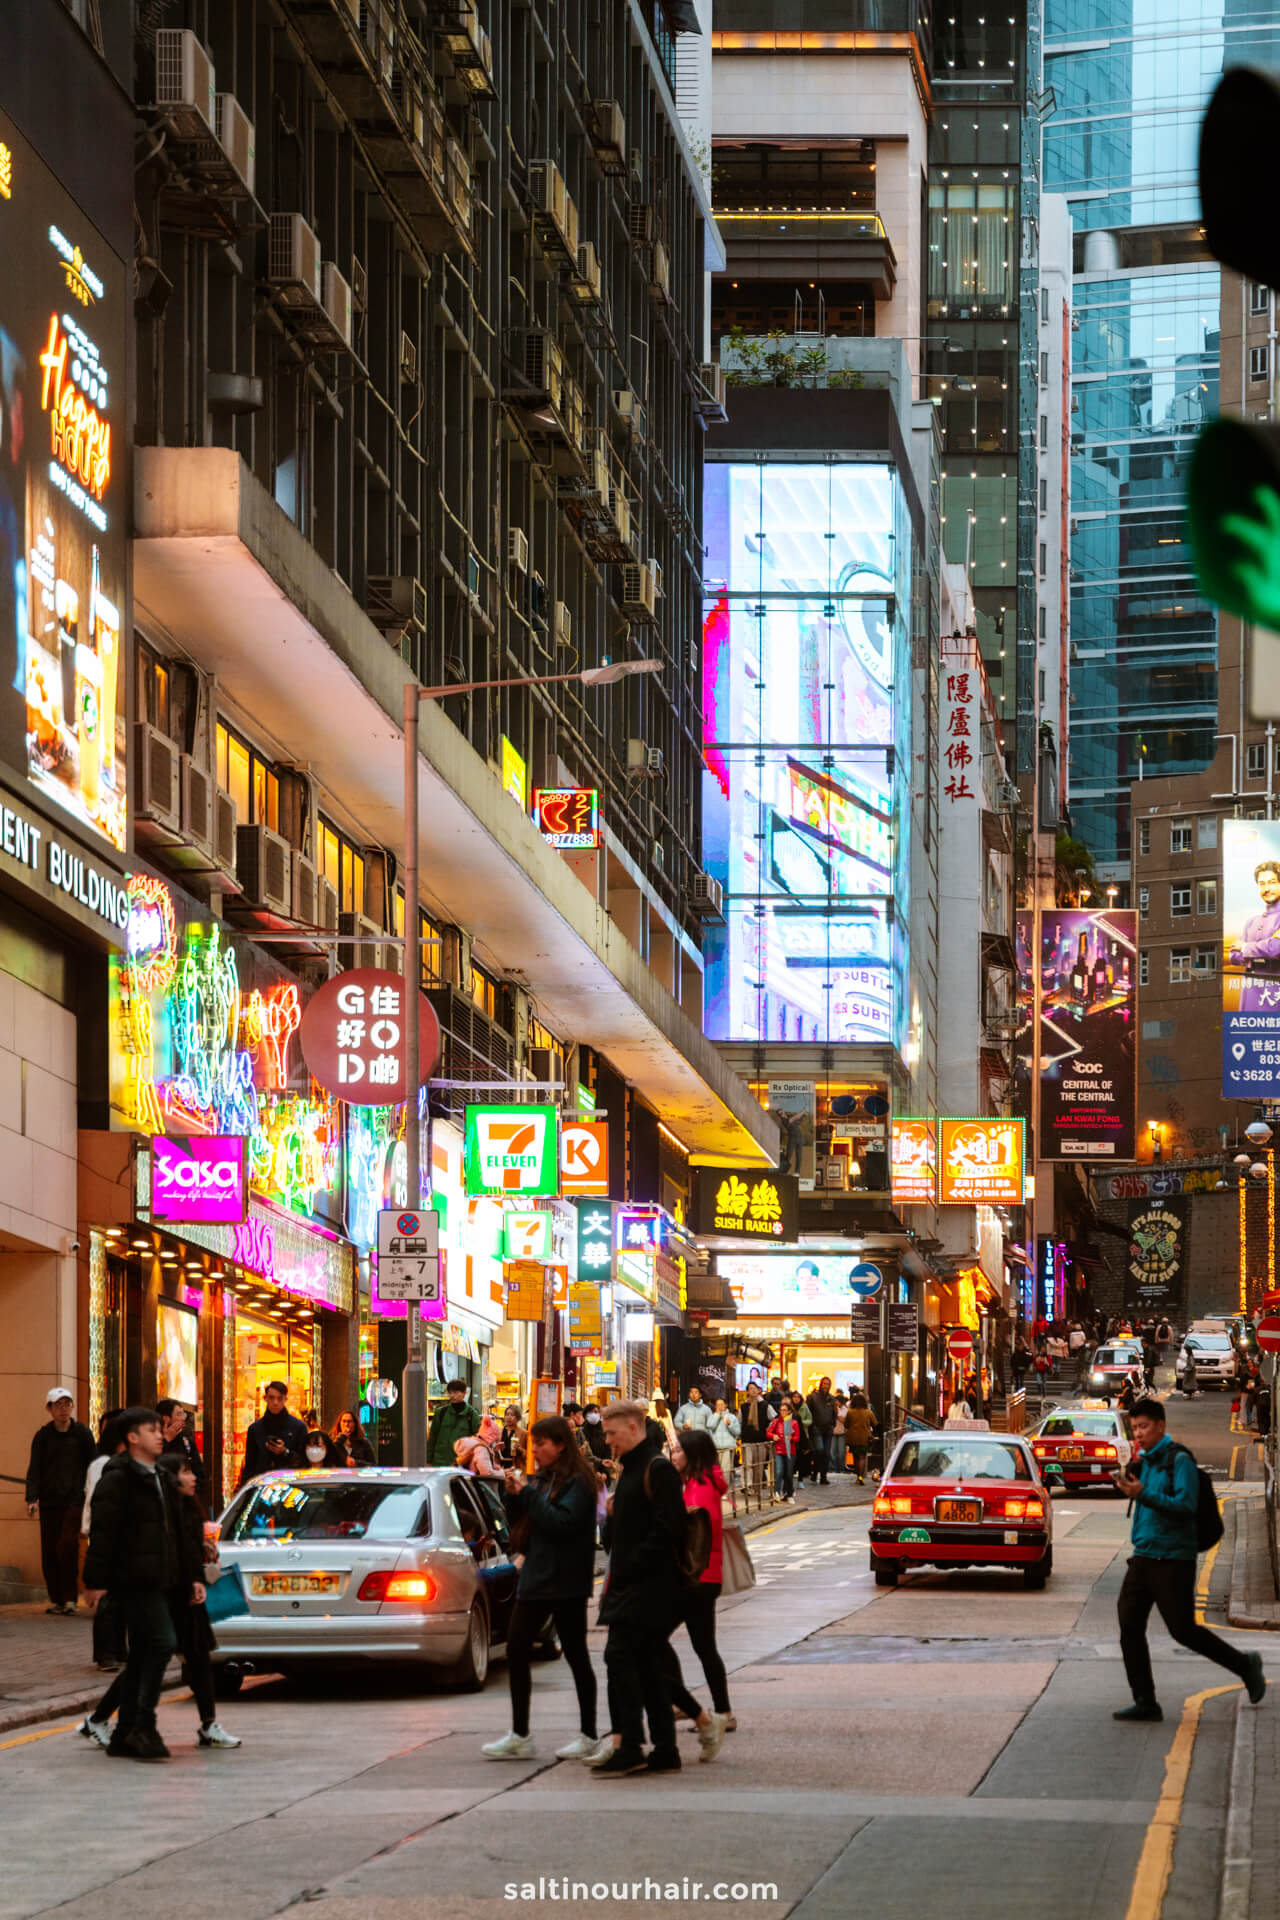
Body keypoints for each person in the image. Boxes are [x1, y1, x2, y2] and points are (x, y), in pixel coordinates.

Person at [1112, 1397, 1264, 1721]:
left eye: (1144, 1426)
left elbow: (1185, 1506)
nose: (1138, 1433)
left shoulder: (1179, 1461)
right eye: (1134, 1427)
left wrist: (1143, 1495)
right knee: (1129, 1626)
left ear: (1160, 1426)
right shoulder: (1145, 1461)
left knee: (1183, 1630)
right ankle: (1145, 1700)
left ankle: (1245, 1665)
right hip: (1143, 1557)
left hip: (1173, 1559)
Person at [482, 1415, 600, 1762]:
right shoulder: (546, 1479)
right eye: (533, 1443)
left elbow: (561, 1524)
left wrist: (529, 1495)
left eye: (542, 1443)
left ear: (561, 1445)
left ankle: (589, 1734)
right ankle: (520, 1733)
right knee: (517, 1648)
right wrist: (516, 1495)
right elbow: (531, 1520)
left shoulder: (578, 1482)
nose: (535, 1449)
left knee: (576, 1656)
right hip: (537, 1574)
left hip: (565, 1580)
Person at [82, 1409, 188, 1761]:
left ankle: (124, 1733)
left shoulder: (160, 1476)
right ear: (131, 1437)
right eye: (152, 1430)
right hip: (132, 1579)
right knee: (162, 1642)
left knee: (144, 1652)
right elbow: (103, 1532)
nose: (160, 1435)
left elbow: (174, 1532)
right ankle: (143, 1724)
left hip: (159, 1578)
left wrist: (188, 1578)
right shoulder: (117, 1477)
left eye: (161, 1429)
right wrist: (95, 1581)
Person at [591, 1399, 687, 1776]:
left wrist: (633, 1564)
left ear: (633, 1428)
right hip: (632, 1583)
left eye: (612, 1434)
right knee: (647, 1667)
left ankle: (631, 1744)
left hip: (648, 1586)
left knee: (619, 1658)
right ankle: (664, 1748)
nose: (608, 1441)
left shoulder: (657, 1469)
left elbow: (670, 1527)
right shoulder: (630, 1469)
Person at [158, 1453, 240, 1749]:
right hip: (173, 1596)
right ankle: (101, 1718)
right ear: (171, 1478)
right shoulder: (166, 1513)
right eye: (185, 1472)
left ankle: (209, 1724)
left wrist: (206, 1548)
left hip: (189, 1596)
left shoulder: (189, 1510)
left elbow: (188, 1550)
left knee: (200, 1659)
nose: (193, 1478)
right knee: (148, 1663)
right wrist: (193, 1579)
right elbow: (174, 1554)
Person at [662, 1428, 731, 1756]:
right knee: (704, 1646)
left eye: (677, 1452)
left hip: (698, 1578)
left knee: (654, 1636)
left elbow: (696, 1531)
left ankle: (696, 1706)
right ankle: (719, 1710)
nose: (672, 1456)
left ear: (692, 1455)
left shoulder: (700, 1487)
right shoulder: (693, 1482)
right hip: (701, 1577)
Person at [25, 1387, 94, 1615]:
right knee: (49, 1550)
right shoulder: (43, 1436)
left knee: (67, 1546)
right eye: (58, 1405)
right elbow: (34, 1468)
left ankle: (70, 1598)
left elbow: (92, 1464)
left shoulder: (82, 1433)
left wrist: (90, 1494)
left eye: (67, 1404)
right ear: (49, 1408)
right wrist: (32, 1498)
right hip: (49, 1501)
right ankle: (57, 1599)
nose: (64, 1409)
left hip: (75, 1500)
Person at [82, 1412, 127, 1670]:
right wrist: (88, 1530)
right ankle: (105, 1653)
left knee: (121, 1597)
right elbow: (93, 1502)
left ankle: (120, 1649)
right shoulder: (101, 1464)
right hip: (105, 1536)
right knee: (107, 1598)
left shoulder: (127, 1462)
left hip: (122, 1538)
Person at [1229, 860, 1280, 1005]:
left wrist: (1245, 948)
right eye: (1261, 884)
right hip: (1250, 999)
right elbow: (1233, 956)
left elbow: (1275, 948)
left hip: (1274, 1000)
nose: (1266, 889)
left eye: (1272, 882)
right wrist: (1261, 954)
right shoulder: (1251, 922)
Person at [238, 1381, 309, 1485]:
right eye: (271, 1398)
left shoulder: (298, 1427)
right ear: (265, 1398)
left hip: (290, 1484)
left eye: (279, 1398)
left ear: (285, 1399)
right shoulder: (255, 1429)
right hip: (262, 1485)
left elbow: (304, 1462)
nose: (275, 1402)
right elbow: (250, 1465)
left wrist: (285, 1452)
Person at [154, 1400, 205, 1493]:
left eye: (183, 1414)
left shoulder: (186, 1441)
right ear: (166, 1419)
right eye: (179, 1414)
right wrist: (166, 1440)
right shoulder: (154, 1440)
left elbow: (199, 1473)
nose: (183, 1418)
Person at [427, 1378, 479, 1466]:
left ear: (464, 1393)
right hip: (440, 1462)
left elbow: (477, 1440)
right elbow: (432, 1437)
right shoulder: (441, 1413)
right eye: (450, 1392)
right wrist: (428, 1460)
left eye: (455, 1392)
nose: (452, 1396)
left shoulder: (471, 1414)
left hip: (461, 1463)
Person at [737, 1382, 772, 1508]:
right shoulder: (743, 1406)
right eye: (750, 1389)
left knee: (759, 1465)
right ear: (747, 1391)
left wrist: (769, 1431)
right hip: (747, 1439)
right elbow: (739, 1421)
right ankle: (747, 1486)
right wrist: (738, 1436)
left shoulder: (765, 1405)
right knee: (747, 1464)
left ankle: (757, 1487)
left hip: (761, 1440)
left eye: (754, 1389)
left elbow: (773, 1418)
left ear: (758, 1391)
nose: (752, 1391)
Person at [805, 1376, 838, 1486]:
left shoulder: (832, 1398)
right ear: (821, 1384)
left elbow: (834, 1413)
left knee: (827, 1453)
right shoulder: (812, 1397)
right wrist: (810, 1425)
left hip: (828, 1428)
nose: (826, 1386)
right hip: (816, 1427)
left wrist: (833, 1423)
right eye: (824, 1384)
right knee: (819, 1450)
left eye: (828, 1384)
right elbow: (807, 1412)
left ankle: (823, 1476)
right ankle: (815, 1472)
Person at [767, 1398, 801, 1503]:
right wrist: (774, 1436)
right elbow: (768, 1433)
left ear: (789, 1411)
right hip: (779, 1451)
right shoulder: (776, 1422)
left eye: (785, 1410)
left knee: (788, 1473)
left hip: (790, 1452)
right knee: (778, 1471)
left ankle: (789, 1494)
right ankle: (776, 1492)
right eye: (781, 1410)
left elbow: (798, 1437)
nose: (783, 1412)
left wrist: (792, 1438)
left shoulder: (794, 1423)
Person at [845, 1391, 877, 1483]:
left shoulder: (850, 1412)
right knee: (862, 1457)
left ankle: (857, 1476)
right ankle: (861, 1477)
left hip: (853, 1438)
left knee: (855, 1456)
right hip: (865, 1438)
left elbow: (846, 1425)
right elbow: (875, 1423)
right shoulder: (868, 1412)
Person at [707, 1398, 740, 1487]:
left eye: (722, 1404)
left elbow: (737, 1432)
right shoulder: (712, 1416)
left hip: (728, 1447)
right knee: (716, 1470)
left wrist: (730, 1425)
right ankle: (716, 1488)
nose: (720, 1407)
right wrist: (717, 1415)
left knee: (726, 1470)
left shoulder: (732, 1417)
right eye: (718, 1405)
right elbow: (710, 1426)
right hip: (715, 1447)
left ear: (726, 1405)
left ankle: (724, 1489)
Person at [495, 1404, 527, 1468]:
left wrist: (520, 1449)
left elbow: (529, 1455)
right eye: (507, 1414)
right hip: (499, 1467)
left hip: (515, 1466)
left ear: (518, 1417)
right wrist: (495, 1449)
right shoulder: (498, 1431)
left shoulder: (524, 1433)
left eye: (512, 1415)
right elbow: (493, 1453)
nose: (509, 1417)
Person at [830, 1391, 849, 1472]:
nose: (835, 1402)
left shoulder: (846, 1409)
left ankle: (841, 1468)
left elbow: (845, 1421)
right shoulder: (832, 1409)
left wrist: (837, 1415)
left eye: (837, 1401)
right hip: (833, 1432)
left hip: (842, 1433)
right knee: (832, 1452)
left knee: (841, 1452)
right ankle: (832, 1468)